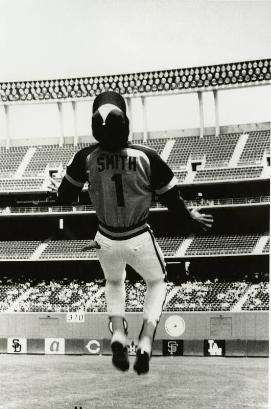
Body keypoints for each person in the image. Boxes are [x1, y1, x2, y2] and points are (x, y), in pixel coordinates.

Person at [50, 91, 213, 375]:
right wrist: (190, 218)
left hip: (105, 237)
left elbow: (65, 197)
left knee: (114, 283)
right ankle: (146, 342)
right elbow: (173, 201)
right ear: (126, 123)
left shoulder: (85, 157)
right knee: (157, 282)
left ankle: (117, 333)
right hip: (138, 235)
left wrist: (55, 191)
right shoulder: (147, 156)